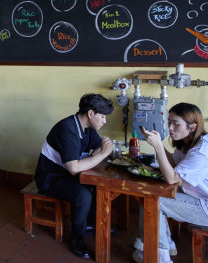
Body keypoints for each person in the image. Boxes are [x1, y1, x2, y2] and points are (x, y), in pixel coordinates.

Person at [34, 93, 114, 259]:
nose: (104, 121)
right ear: (91, 113)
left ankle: (89, 223)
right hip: (50, 177)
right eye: (103, 117)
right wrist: (102, 154)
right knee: (82, 195)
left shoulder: (88, 128)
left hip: (66, 174)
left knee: (96, 184)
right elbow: (74, 168)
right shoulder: (67, 128)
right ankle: (77, 239)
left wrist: (101, 152)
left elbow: (99, 147)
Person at [132, 103, 208, 263]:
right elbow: (173, 162)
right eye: (169, 122)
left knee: (153, 201)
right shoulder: (188, 141)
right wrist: (156, 143)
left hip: (206, 207)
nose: (170, 127)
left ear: (192, 127)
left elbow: (172, 178)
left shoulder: (201, 152)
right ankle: (166, 244)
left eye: (176, 123)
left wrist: (159, 147)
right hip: (199, 197)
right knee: (151, 195)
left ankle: (161, 257)